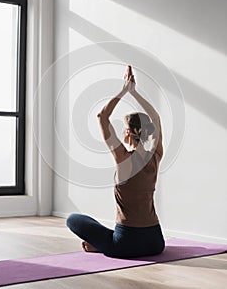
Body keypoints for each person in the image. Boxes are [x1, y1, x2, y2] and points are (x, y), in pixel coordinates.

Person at [66, 65, 165, 258]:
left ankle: (104, 246)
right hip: (155, 242)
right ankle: (105, 244)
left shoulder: (123, 159)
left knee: (74, 219)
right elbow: (156, 117)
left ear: (127, 132)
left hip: (126, 244)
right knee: (104, 232)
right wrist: (135, 93)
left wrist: (125, 90)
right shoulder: (156, 156)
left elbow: (102, 117)